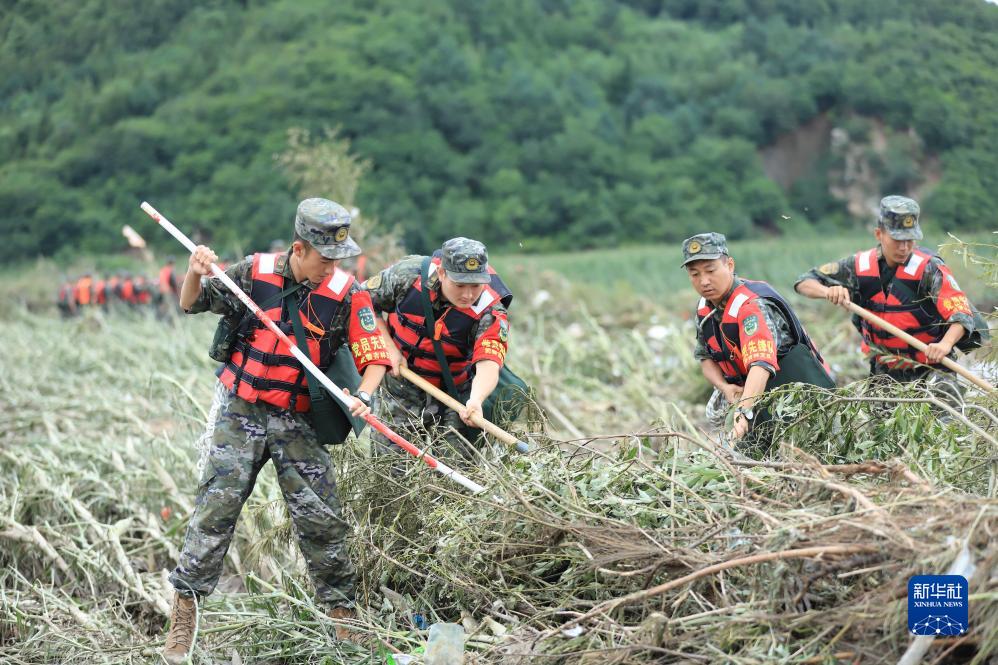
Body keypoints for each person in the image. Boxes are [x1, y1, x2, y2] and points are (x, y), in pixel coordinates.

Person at [161, 198, 390, 664]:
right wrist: (196, 271)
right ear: (298, 249)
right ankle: (183, 618)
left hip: (297, 419)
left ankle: (342, 619)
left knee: (323, 519)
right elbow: (190, 303)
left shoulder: (348, 292)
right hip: (240, 412)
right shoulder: (253, 271)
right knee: (214, 512)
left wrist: (363, 396)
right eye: (324, 258)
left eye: (338, 258)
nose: (331, 268)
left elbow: (376, 358)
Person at [795, 196, 988, 392]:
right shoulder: (858, 266)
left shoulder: (930, 268)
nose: (904, 248)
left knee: (944, 421)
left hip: (933, 370)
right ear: (879, 234)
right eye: (897, 240)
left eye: (909, 240)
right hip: (885, 373)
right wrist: (828, 291)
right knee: (879, 423)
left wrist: (945, 345)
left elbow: (961, 315)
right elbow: (804, 282)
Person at [363, 237, 512, 460]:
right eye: (460, 285)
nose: (469, 295)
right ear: (442, 273)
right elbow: (362, 301)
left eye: (476, 285)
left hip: (453, 394)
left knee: (455, 474)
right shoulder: (408, 275)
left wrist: (476, 400)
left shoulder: (490, 308)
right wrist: (387, 348)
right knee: (391, 467)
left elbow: (489, 361)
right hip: (399, 388)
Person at [683, 233, 834, 448]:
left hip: (800, 399)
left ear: (730, 265)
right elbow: (705, 357)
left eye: (710, 270)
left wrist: (744, 412)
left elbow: (761, 364)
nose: (704, 281)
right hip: (758, 399)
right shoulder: (705, 309)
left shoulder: (752, 306)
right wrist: (725, 388)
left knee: (811, 459)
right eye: (694, 274)